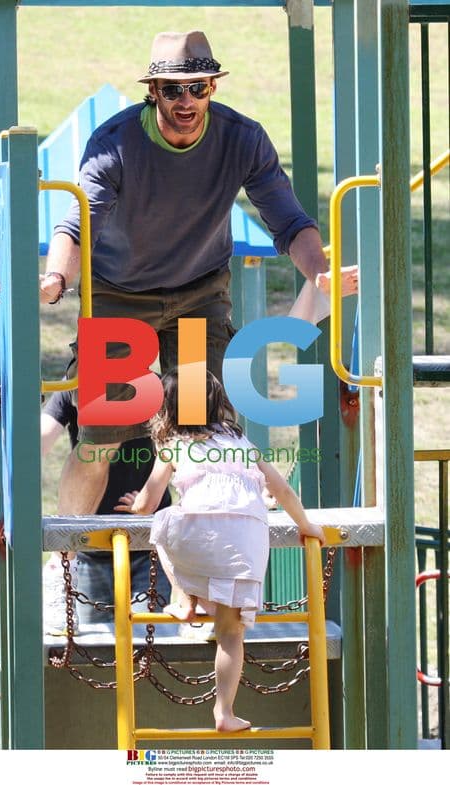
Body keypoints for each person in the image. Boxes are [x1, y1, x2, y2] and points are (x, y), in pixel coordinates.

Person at [38, 29, 358, 522]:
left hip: (198, 294)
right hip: (119, 295)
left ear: (213, 88)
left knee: (201, 431)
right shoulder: (115, 145)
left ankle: (199, 570)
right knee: (101, 437)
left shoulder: (242, 139)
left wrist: (319, 275)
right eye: (172, 89)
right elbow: (78, 225)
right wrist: (56, 279)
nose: (186, 100)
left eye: (198, 87)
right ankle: (71, 557)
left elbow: (290, 221)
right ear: (153, 91)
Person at [116, 370, 325, 732]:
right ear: (218, 403)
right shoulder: (242, 441)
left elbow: (149, 503)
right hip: (247, 544)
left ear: (167, 409)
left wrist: (136, 505)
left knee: (165, 526)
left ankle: (186, 600)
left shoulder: (174, 445)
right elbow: (285, 492)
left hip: (198, 538)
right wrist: (307, 526)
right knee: (230, 635)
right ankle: (224, 712)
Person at [39, 391, 172, 633]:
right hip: (91, 549)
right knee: (89, 647)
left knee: (151, 643)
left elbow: (183, 448)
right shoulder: (73, 389)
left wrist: (147, 498)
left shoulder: (153, 390)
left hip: (148, 545)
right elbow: (39, 441)